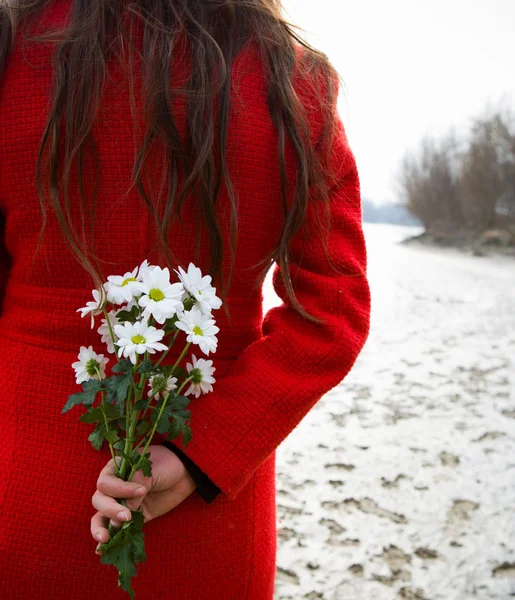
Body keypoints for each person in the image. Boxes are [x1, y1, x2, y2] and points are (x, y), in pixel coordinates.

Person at [0, 0, 371, 598]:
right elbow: (334, 312)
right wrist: (203, 453)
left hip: (17, 495)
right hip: (209, 520)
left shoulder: (15, 51)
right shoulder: (292, 81)